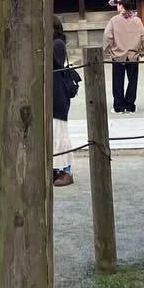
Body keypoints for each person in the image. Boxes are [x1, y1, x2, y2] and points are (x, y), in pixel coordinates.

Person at [103, 0, 144, 114]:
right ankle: (130, 105)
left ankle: (118, 106)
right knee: (132, 81)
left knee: (118, 81)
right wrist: (143, 51)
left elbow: (108, 37)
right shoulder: (137, 20)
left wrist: (106, 51)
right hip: (133, 55)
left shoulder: (114, 20)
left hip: (118, 55)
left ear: (121, 6)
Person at [52, 18, 78, 187]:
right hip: (49, 93)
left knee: (59, 133)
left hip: (58, 94)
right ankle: (53, 169)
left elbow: (54, 63)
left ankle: (66, 170)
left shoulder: (57, 44)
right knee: (50, 134)